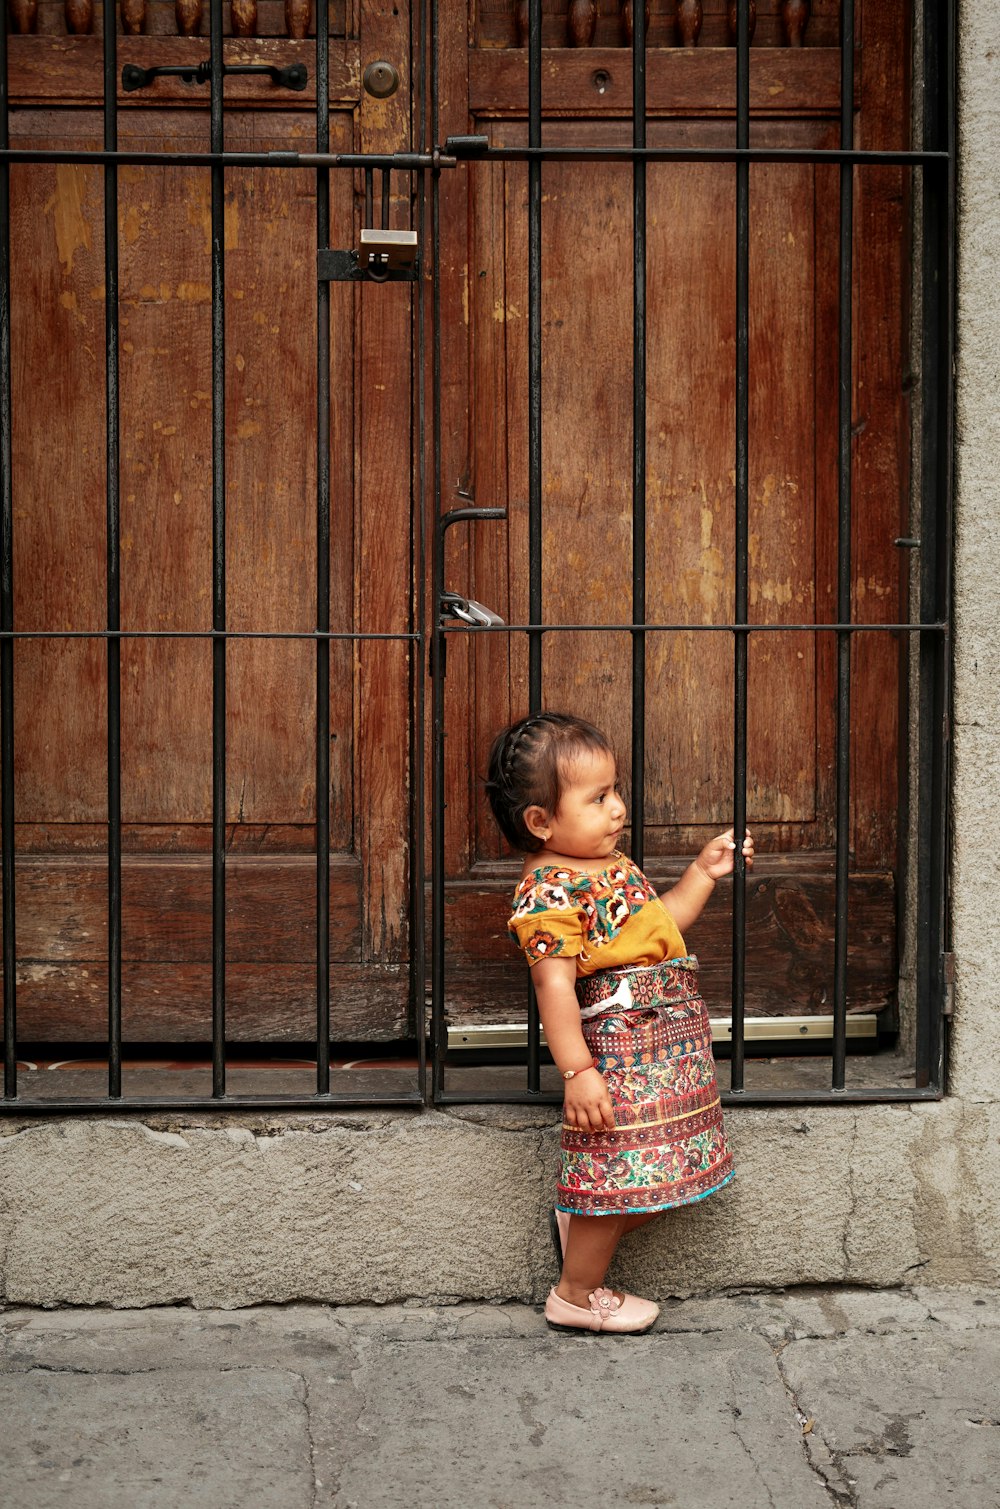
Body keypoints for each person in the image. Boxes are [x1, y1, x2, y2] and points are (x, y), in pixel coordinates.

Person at [486, 711, 753, 1335]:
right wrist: (578, 1072)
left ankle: (585, 1230)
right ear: (540, 821)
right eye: (598, 797)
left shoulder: (612, 869)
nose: (618, 808)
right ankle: (576, 1293)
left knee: (664, 1171)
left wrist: (701, 874)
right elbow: (554, 988)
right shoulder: (549, 893)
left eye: (616, 792)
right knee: (619, 1168)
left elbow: (662, 928)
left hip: (669, 1054)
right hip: (619, 1059)